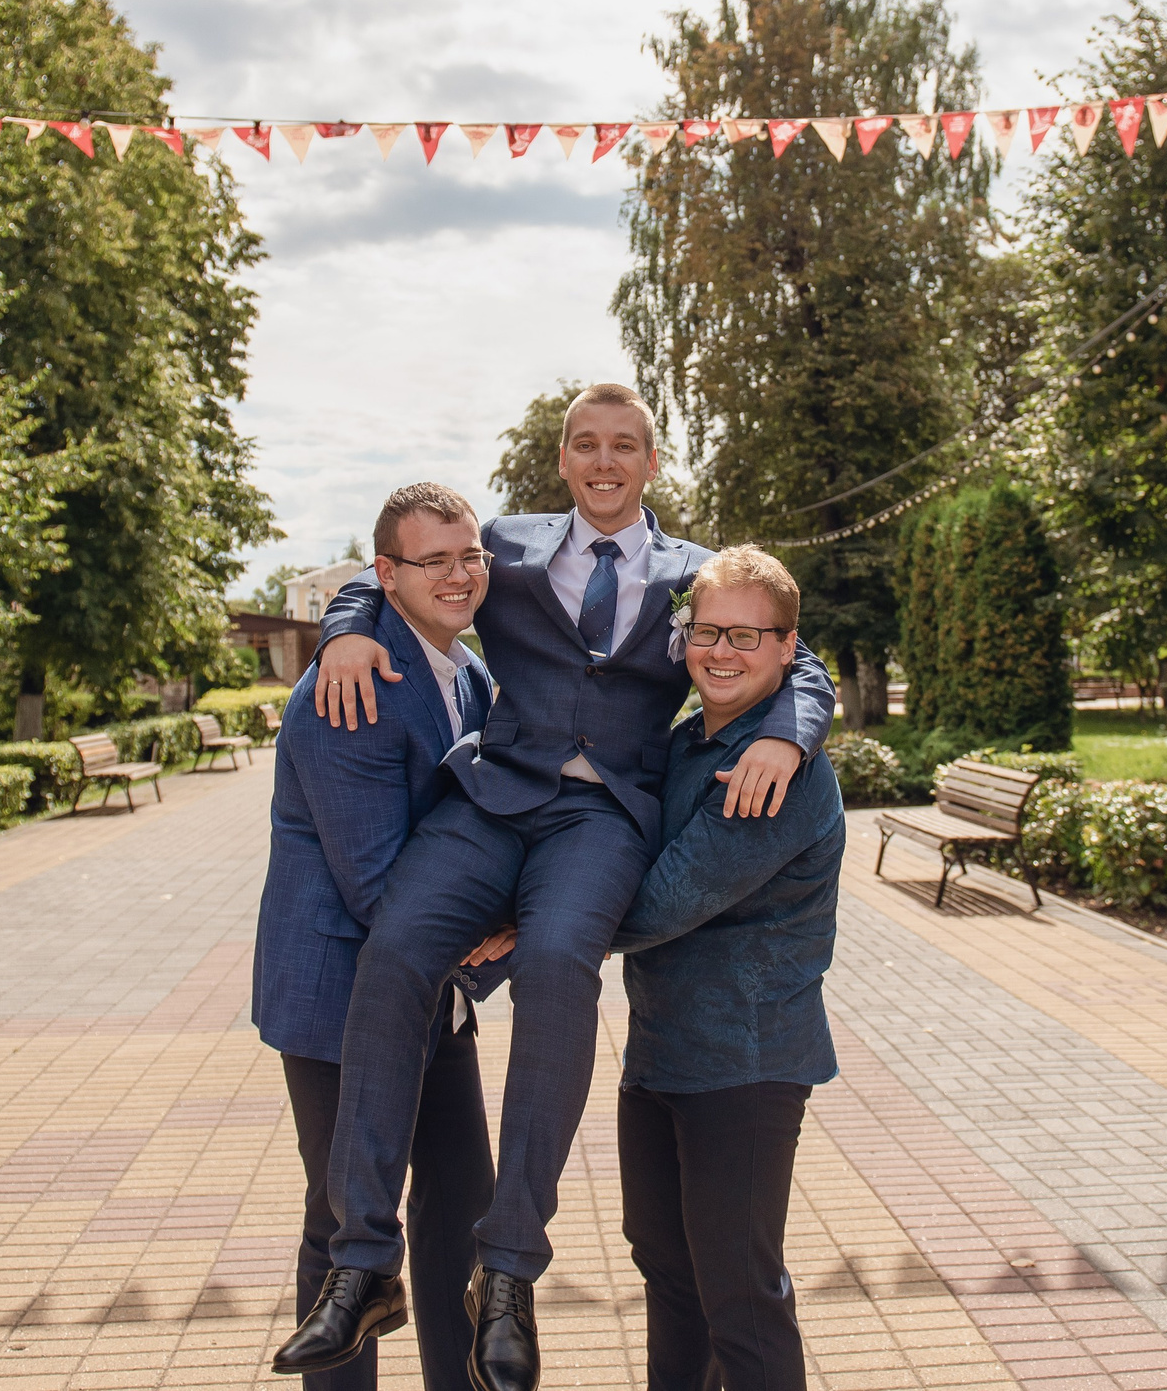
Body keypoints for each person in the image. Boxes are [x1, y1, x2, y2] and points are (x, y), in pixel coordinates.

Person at [275, 384, 832, 1391]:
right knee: (396, 945)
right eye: (586, 443)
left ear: (651, 461)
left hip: (600, 816)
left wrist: (790, 733)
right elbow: (397, 570)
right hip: (497, 793)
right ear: (563, 458)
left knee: (559, 961)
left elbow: (793, 651)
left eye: (624, 445)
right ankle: (362, 1259)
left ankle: (509, 1268)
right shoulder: (504, 546)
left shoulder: (694, 573)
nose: (604, 460)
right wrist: (346, 625)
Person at [255, 484, 514, 1390]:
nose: (458, 574)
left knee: (462, 1209)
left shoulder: (467, 673)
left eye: (469, 555)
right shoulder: (349, 688)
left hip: (433, 990)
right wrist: (500, 932)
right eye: (432, 559)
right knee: (344, 1229)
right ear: (387, 575)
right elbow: (374, 884)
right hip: (341, 994)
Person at [608, 546, 843, 1391]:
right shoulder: (684, 744)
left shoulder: (778, 769)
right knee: (669, 1273)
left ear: (787, 648)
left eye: (746, 635)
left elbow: (664, 899)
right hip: (660, 1053)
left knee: (740, 1296)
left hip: (744, 1065)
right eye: (708, 631)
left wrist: (537, 924)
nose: (722, 651)